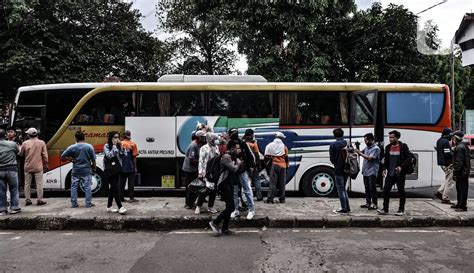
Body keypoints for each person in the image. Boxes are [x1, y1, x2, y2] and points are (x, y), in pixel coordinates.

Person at [209, 141, 242, 235]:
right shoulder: (226, 157)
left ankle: (225, 229)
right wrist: (239, 163)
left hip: (229, 184)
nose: (238, 149)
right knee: (231, 207)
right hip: (224, 185)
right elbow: (234, 169)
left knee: (229, 206)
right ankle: (215, 222)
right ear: (232, 148)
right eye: (237, 148)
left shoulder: (232, 157)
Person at [377, 130, 412, 216]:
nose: (390, 139)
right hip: (390, 173)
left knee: (401, 191)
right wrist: (384, 169)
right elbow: (386, 159)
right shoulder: (388, 147)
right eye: (389, 137)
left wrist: (401, 167)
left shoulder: (403, 147)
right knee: (385, 190)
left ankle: (401, 209)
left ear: (397, 137)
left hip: (400, 174)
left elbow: (408, 158)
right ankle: (385, 209)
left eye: (392, 137)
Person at [61, 130, 96, 208]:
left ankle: (74, 204)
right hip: (86, 170)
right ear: (84, 137)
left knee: (74, 187)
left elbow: (62, 156)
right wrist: (94, 169)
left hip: (76, 170)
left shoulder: (72, 147)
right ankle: (88, 203)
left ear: (76, 138)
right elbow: (93, 160)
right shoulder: (89, 146)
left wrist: (71, 159)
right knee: (87, 187)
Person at [228, 128, 256, 220]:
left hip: (242, 170)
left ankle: (251, 210)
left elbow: (250, 155)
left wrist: (252, 166)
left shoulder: (243, 143)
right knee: (235, 191)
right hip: (233, 171)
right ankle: (236, 210)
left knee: (247, 190)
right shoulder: (230, 143)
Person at [20, 128, 48, 206]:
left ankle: (28, 200)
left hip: (28, 166)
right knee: (39, 184)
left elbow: (21, 154)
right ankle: (39, 200)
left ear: (29, 135)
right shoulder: (42, 143)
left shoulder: (25, 143)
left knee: (27, 184)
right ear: (36, 134)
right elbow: (45, 156)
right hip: (38, 166)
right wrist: (46, 164)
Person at [196, 132, 219, 214]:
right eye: (214, 139)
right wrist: (200, 172)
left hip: (214, 172)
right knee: (204, 190)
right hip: (206, 172)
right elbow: (201, 161)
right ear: (210, 139)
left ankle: (210, 206)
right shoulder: (203, 148)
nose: (216, 141)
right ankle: (198, 206)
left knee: (213, 191)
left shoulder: (216, 148)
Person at [104, 131, 127, 214]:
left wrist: (121, 146)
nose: (116, 139)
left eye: (118, 137)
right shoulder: (106, 146)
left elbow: (124, 155)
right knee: (116, 189)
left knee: (112, 189)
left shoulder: (119, 145)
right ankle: (120, 207)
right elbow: (108, 156)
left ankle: (109, 207)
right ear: (111, 138)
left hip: (117, 169)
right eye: (114, 137)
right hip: (109, 170)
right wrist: (113, 147)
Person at [356, 133, 380, 210]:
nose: (365, 142)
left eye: (366, 140)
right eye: (365, 140)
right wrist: (357, 147)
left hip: (372, 171)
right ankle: (368, 203)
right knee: (367, 188)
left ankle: (375, 204)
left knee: (372, 188)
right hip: (366, 171)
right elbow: (360, 153)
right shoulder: (367, 147)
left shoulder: (376, 148)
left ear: (371, 140)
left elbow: (370, 158)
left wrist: (360, 153)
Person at [182, 130, 206, 209]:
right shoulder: (194, 145)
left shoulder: (198, 144)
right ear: (198, 137)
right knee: (190, 187)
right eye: (202, 137)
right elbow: (192, 159)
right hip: (189, 170)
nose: (204, 138)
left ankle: (190, 202)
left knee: (193, 187)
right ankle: (188, 204)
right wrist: (200, 165)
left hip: (192, 169)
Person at [329, 128, 350, 214]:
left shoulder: (333, 145)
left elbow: (332, 159)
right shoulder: (346, 143)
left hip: (338, 169)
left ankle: (344, 208)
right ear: (342, 134)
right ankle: (347, 207)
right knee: (344, 189)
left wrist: (336, 163)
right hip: (347, 169)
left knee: (340, 189)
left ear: (334, 135)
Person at [0, 129, 21, 215]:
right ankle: (14, 208)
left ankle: (2, 209)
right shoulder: (12, 144)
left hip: (0, 170)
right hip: (12, 169)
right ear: (5, 135)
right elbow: (18, 152)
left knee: (1, 190)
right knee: (14, 189)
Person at [264, 132, 289, 204]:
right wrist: (287, 166)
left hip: (275, 165)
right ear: (281, 138)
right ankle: (282, 199)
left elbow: (266, 156)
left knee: (273, 183)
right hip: (283, 166)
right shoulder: (284, 147)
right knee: (282, 183)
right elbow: (286, 158)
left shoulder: (270, 145)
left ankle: (270, 199)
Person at [451, 131, 471, 212]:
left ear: (456, 138)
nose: (453, 140)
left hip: (461, 172)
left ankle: (462, 206)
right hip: (464, 172)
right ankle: (459, 204)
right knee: (460, 189)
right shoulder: (463, 146)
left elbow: (459, 162)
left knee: (461, 189)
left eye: (454, 138)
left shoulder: (459, 148)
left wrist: (455, 172)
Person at [435, 128, 454, 204]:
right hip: (447, 163)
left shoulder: (439, 140)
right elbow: (447, 154)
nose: (451, 136)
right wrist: (453, 153)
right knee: (450, 181)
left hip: (442, 163)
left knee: (447, 178)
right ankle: (445, 197)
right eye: (450, 135)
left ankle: (440, 191)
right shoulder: (446, 142)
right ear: (447, 134)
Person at [244, 129, 263, 201]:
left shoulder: (243, 143)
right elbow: (257, 155)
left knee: (247, 181)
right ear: (251, 135)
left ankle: (247, 197)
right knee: (256, 180)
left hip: (245, 165)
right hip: (253, 165)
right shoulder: (253, 143)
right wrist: (259, 164)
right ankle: (259, 196)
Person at [119, 130, 139, 203]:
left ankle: (121, 198)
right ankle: (131, 197)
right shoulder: (133, 144)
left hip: (121, 167)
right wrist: (135, 167)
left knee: (121, 183)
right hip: (130, 167)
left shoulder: (120, 143)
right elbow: (134, 157)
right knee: (131, 183)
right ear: (129, 136)